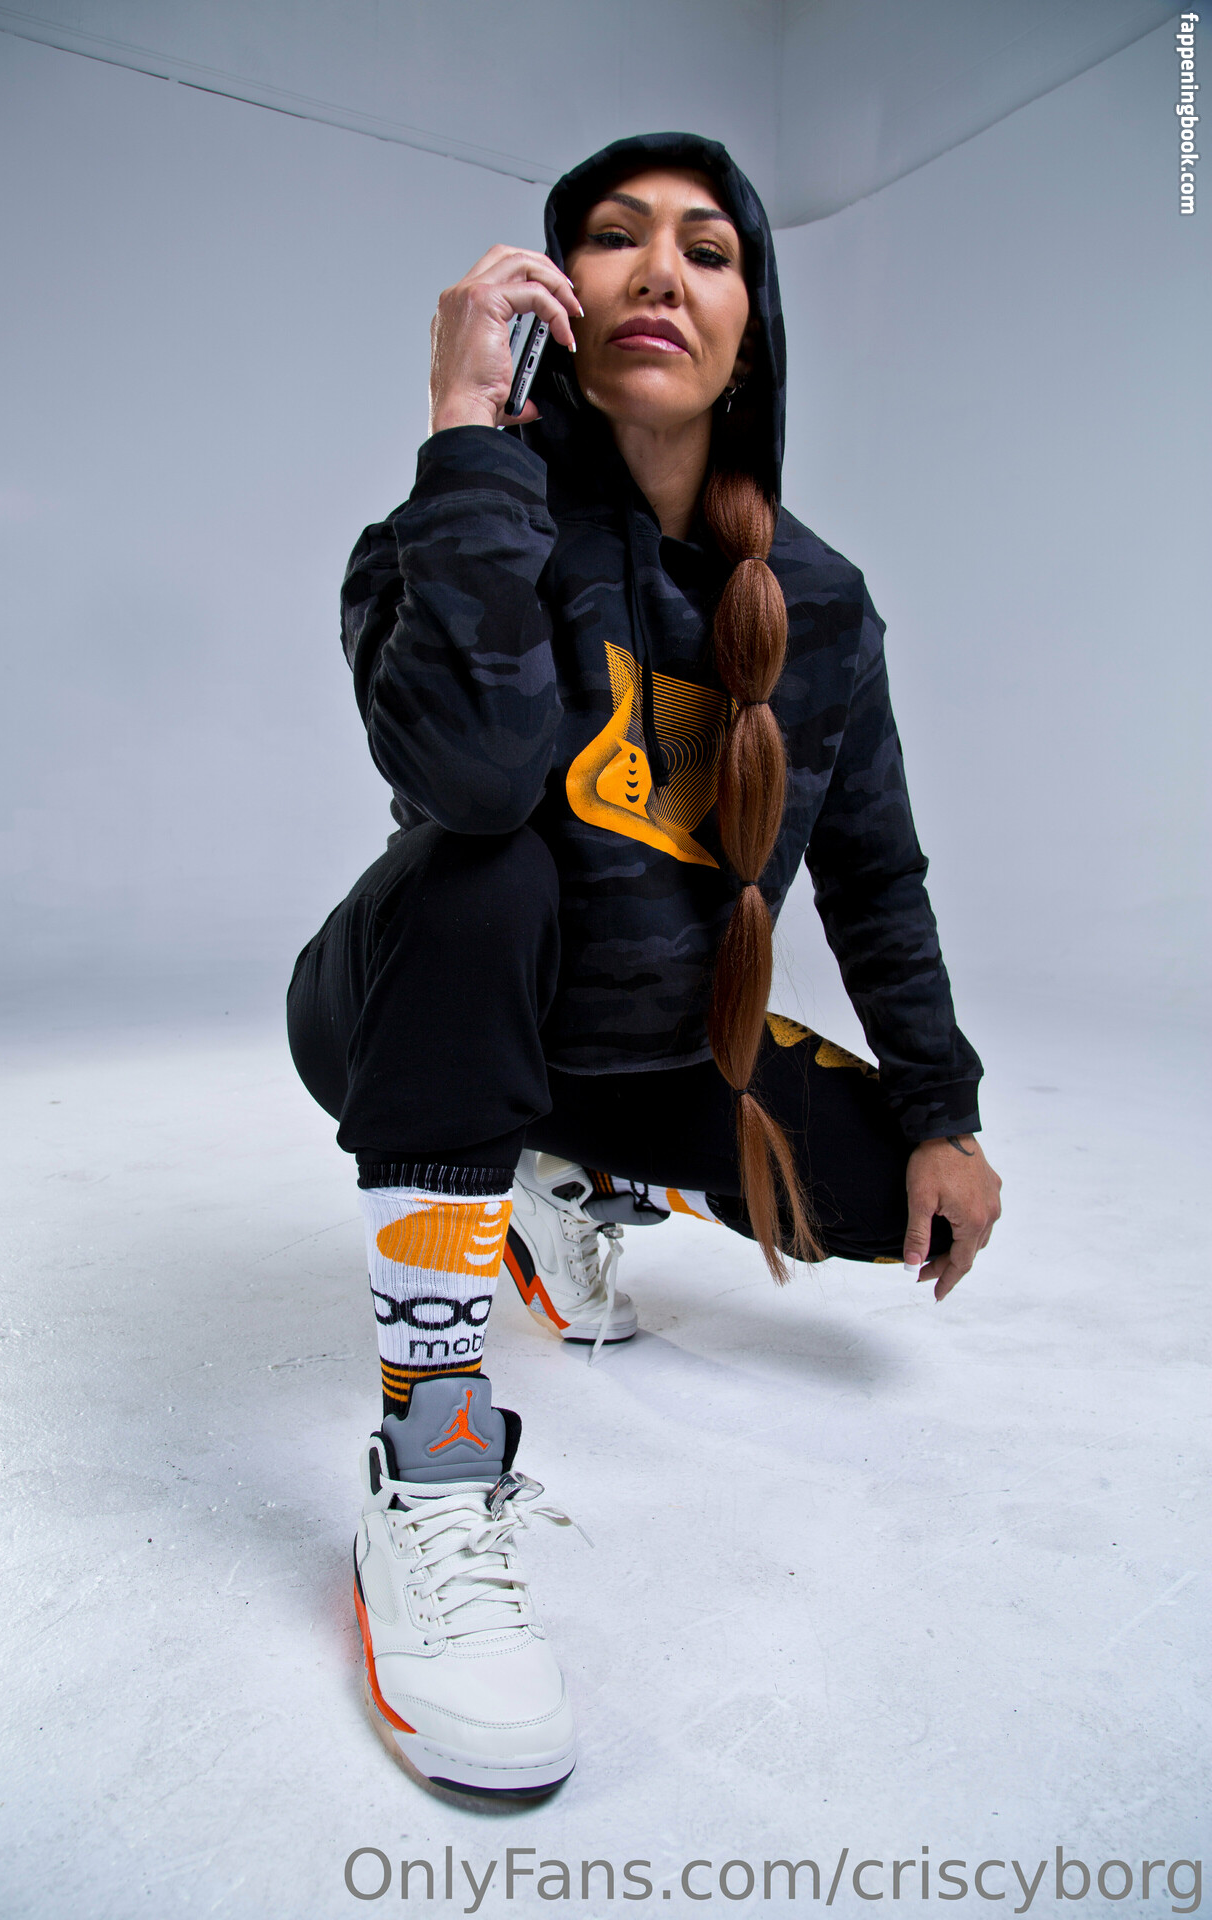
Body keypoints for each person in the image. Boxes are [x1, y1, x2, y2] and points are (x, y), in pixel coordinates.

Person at [286, 131, 1001, 1800]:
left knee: (879, 1190)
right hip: (416, 1012)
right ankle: (432, 1463)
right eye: (613, 239)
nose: (661, 270)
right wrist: (468, 433)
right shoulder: (457, 519)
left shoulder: (822, 605)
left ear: (752, 329)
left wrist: (945, 1108)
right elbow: (468, 780)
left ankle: (567, 1186)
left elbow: (874, 874)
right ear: (559, 301)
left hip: (646, 1054)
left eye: (709, 247)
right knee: (491, 864)